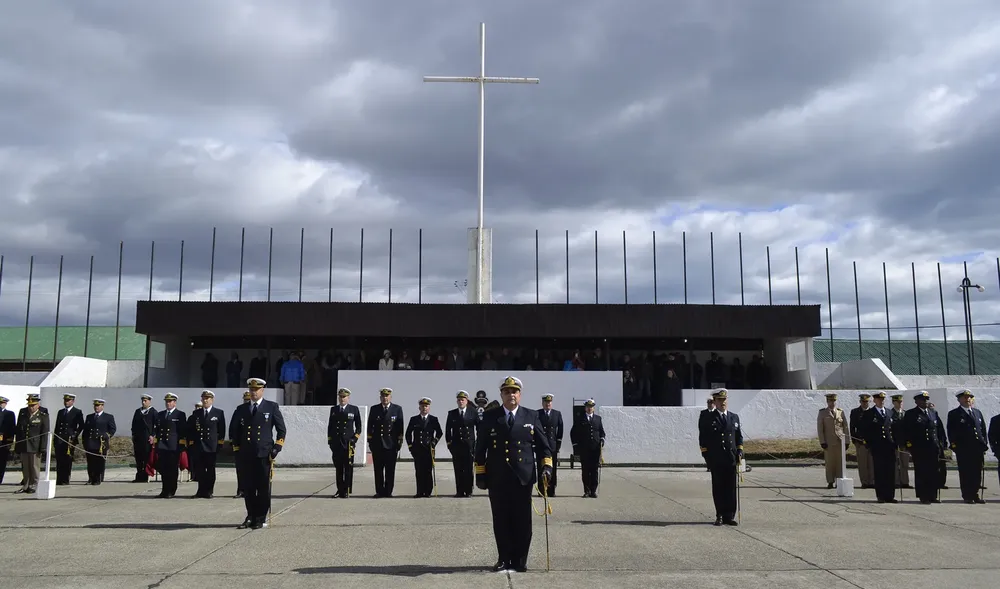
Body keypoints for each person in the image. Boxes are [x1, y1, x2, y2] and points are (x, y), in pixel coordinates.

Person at [475, 376, 553, 573]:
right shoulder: (491, 417)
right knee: (501, 519)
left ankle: (520, 559)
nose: (511, 395)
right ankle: (503, 558)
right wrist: (481, 475)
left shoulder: (531, 416)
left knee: (522, 520)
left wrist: (547, 467)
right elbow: (480, 449)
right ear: (501, 394)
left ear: (520, 394)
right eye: (507, 391)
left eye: (514, 391)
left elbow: (544, 448)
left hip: (523, 477)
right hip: (497, 477)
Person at [230, 377, 286, 529]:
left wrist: (276, 448)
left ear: (262, 390)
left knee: (262, 487)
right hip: (246, 454)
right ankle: (250, 516)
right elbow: (233, 430)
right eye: (251, 390)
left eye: (256, 390)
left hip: (263, 454)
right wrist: (237, 448)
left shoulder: (271, 407)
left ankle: (260, 517)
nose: (253, 392)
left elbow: (282, 430)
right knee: (248, 488)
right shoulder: (241, 409)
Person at [699, 388, 742, 526]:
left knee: (731, 488)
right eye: (719, 400)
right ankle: (720, 515)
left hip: (730, 458)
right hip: (717, 459)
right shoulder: (708, 418)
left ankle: (729, 515)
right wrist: (707, 458)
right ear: (715, 402)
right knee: (718, 488)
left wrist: (740, 452)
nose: (722, 403)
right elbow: (703, 439)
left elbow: (738, 437)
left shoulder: (734, 417)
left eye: (724, 400)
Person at [902, 391, 946, 504]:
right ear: (916, 401)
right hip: (919, 449)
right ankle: (923, 495)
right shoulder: (911, 414)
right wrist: (909, 446)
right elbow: (906, 431)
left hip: (933, 448)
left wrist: (941, 444)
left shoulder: (933, 413)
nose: (925, 401)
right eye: (922, 399)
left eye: (926, 399)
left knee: (933, 472)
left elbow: (939, 430)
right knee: (922, 472)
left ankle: (933, 495)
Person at [946, 390, 988, 504]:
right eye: (965, 397)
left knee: (977, 472)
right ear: (959, 400)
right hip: (964, 449)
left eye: (969, 397)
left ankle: (975, 494)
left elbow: (982, 430)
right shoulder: (954, 414)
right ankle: (967, 495)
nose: (967, 399)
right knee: (966, 473)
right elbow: (951, 431)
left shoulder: (977, 412)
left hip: (977, 448)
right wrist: (955, 446)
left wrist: (984, 443)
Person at [859, 392, 897, 503]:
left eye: (883, 399)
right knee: (880, 472)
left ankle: (890, 495)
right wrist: (869, 444)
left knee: (890, 471)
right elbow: (864, 430)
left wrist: (896, 442)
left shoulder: (890, 412)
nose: (882, 401)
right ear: (874, 401)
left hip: (889, 446)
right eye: (879, 399)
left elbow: (895, 429)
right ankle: (881, 495)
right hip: (878, 447)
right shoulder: (870, 414)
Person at [367, 387, 404, 498]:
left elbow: (400, 428)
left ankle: (388, 492)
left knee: (390, 470)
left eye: (387, 396)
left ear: (390, 397)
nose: (385, 398)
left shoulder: (397, 409)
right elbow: (370, 427)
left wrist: (398, 444)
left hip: (391, 445)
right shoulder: (374, 409)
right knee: (378, 470)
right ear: (380, 397)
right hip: (377, 445)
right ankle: (379, 491)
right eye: (383, 396)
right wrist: (370, 442)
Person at [189, 390, 226, 498]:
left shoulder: (218, 413)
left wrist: (220, 444)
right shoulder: (197, 413)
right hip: (199, 445)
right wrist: (191, 443)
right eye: (203, 398)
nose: (205, 400)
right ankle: (200, 490)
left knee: (210, 470)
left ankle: (209, 491)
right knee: (199, 470)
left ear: (212, 400)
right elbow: (192, 429)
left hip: (211, 446)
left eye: (207, 398)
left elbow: (221, 430)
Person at [327, 387, 361, 498]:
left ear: (348, 398)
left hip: (348, 443)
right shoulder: (334, 409)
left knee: (348, 467)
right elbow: (330, 426)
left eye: (344, 397)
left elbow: (359, 427)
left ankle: (347, 489)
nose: (342, 399)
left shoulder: (354, 409)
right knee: (339, 468)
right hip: (337, 443)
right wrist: (330, 441)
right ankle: (339, 489)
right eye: (340, 397)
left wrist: (354, 439)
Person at [406, 397, 442, 498]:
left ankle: (428, 491)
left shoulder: (433, 419)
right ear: (419, 407)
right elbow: (408, 433)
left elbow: (440, 432)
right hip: (417, 449)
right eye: (422, 406)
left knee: (428, 471)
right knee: (419, 471)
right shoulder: (414, 419)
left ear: (429, 408)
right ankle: (419, 491)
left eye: (426, 406)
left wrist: (434, 442)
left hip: (428, 449)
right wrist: (410, 446)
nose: (424, 408)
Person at [153, 393, 187, 498]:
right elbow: (157, 431)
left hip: (173, 446)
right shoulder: (160, 414)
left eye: (170, 401)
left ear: (174, 402)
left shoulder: (180, 414)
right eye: (167, 401)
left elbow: (182, 431)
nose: (168, 403)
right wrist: (156, 442)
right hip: (162, 445)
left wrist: (181, 445)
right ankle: (164, 490)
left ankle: (171, 490)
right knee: (163, 468)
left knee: (172, 469)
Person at [14, 393, 49, 494]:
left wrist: (43, 447)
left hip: (35, 446)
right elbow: (19, 431)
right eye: (29, 405)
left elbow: (44, 433)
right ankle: (26, 485)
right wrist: (18, 445)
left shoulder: (43, 416)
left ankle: (34, 484)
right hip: (24, 445)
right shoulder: (23, 413)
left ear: (38, 405)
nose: (31, 407)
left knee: (34, 466)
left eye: (33, 405)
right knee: (25, 467)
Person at [445, 390, 477, 497]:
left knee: (468, 469)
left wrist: (475, 444)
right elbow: (448, 430)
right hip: (457, 445)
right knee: (458, 469)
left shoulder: (473, 412)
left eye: (462, 400)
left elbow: (479, 428)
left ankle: (468, 491)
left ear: (466, 401)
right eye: (459, 400)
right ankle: (459, 491)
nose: (460, 402)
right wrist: (449, 444)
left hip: (469, 445)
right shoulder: (452, 413)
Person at [571, 399, 605, 498]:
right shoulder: (580, 419)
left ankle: (593, 490)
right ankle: (586, 490)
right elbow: (573, 433)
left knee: (594, 470)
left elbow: (602, 432)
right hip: (584, 449)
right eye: (588, 407)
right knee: (585, 470)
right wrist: (576, 446)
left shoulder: (598, 419)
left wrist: (602, 440)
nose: (589, 409)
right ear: (585, 408)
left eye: (591, 407)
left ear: (593, 408)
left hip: (595, 449)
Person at [817, 393, 848, 489]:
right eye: (830, 401)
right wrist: (822, 441)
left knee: (840, 462)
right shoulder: (822, 413)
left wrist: (847, 441)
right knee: (830, 462)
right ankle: (830, 481)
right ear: (827, 402)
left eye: (834, 401)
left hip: (840, 441)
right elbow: (820, 428)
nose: (832, 403)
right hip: (828, 442)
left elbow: (845, 427)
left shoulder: (840, 412)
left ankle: (839, 481)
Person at [82, 399, 116, 485]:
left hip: (101, 443)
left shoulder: (108, 417)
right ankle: (91, 478)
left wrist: (106, 435)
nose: (96, 407)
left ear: (102, 406)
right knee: (90, 462)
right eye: (95, 406)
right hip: (90, 443)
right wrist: (84, 441)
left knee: (99, 462)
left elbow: (112, 429)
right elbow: (86, 430)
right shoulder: (89, 417)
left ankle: (98, 478)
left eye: (98, 406)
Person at [53, 394, 84, 485]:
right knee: (59, 460)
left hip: (69, 440)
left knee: (67, 459)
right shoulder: (61, 412)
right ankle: (59, 479)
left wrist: (75, 434)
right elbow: (57, 426)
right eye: (65, 400)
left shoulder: (77, 412)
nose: (66, 402)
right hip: (60, 439)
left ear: (73, 401)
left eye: (68, 400)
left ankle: (66, 479)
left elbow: (81, 425)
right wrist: (55, 438)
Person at [537, 394, 564, 496]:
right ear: (542, 403)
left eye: (549, 402)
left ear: (551, 403)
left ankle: (551, 490)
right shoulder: (537, 414)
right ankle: (542, 490)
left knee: (552, 469)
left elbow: (560, 429)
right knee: (541, 468)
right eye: (545, 402)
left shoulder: (557, 414)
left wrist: (558, 443)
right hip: (541, 446)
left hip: (552, 446)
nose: (547, 404)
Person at [131, 394, 157, 483]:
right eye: (142, 401)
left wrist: (153, 435)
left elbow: (156, 426)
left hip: (147, 438)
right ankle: (139, 475)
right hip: (138, 438)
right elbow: (134, 424)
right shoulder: (138, 411)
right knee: (138, 458)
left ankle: (145, 476)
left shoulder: (153, 412)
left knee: (146, 458)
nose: (143, 402)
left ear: (149, 401)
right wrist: (133, 434)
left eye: (145, 401)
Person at [849, 393, 874, 488]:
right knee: (862, 463)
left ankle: (872, 481)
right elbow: (852, 428)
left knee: (872, 463)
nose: (865, 403)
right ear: (860, 402)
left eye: (866, 401)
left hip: (871, 442)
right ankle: (864, 482)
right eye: (863, 401)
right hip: (860, 441)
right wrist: (854, 441)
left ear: (869, 402)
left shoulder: (873, 412)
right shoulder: (855, 412)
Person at [889, 394, 911, 489]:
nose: (900, 403)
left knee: (905, 463)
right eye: (898, 402)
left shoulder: (906, 414)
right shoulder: (890, 413)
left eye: (901, 402)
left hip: (904, 442)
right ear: (893, 402)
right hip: (894, 442)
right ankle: (896, 482)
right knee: (896, 463)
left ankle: (905, 482)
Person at [234, 390, 251, 497]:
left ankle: (251, 491)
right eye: (245, 400)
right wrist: (235, 444)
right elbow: (234, 428)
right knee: (241, 470)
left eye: (248, 400)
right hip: (241, 445)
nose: (247, 402)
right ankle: (241, 490)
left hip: (253, 446)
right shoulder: (239, 410)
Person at [0, 396, 15, 485]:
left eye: (2, 403)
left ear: (5, 404)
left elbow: (12, 428)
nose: (1, 405)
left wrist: (10, 442)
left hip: (4, 442)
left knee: (2, 461)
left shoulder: (9, 414)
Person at [699, 396, 715, 471]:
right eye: (708, 403)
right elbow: (700, 425)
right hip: (704, 437)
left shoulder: (717, 412)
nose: (709, 404)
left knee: (713, 453)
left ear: (714, 404)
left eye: (711, 403)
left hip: (714, 437)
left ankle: (711, 467)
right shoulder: (703, 413)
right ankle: (709, 465)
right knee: (705, 453)